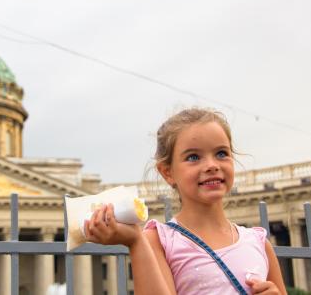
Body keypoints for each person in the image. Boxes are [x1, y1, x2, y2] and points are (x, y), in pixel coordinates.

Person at [84, 108, 286, 295]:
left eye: (221, 153)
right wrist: (136, 242)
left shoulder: (258, 243)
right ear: (167, 172)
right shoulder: (159, 241)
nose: (211, 165)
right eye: (193, 157)